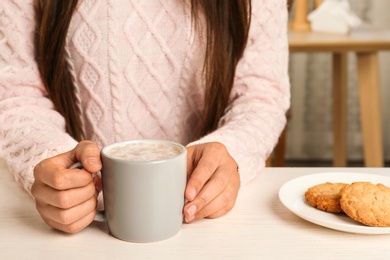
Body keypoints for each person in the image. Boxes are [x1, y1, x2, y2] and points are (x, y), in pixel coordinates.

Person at [0, 0, 290, 233]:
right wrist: (51, 159)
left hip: (202, 226)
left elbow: (261, 95)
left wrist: (231, 153)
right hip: (78, 229)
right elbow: (14, 94)